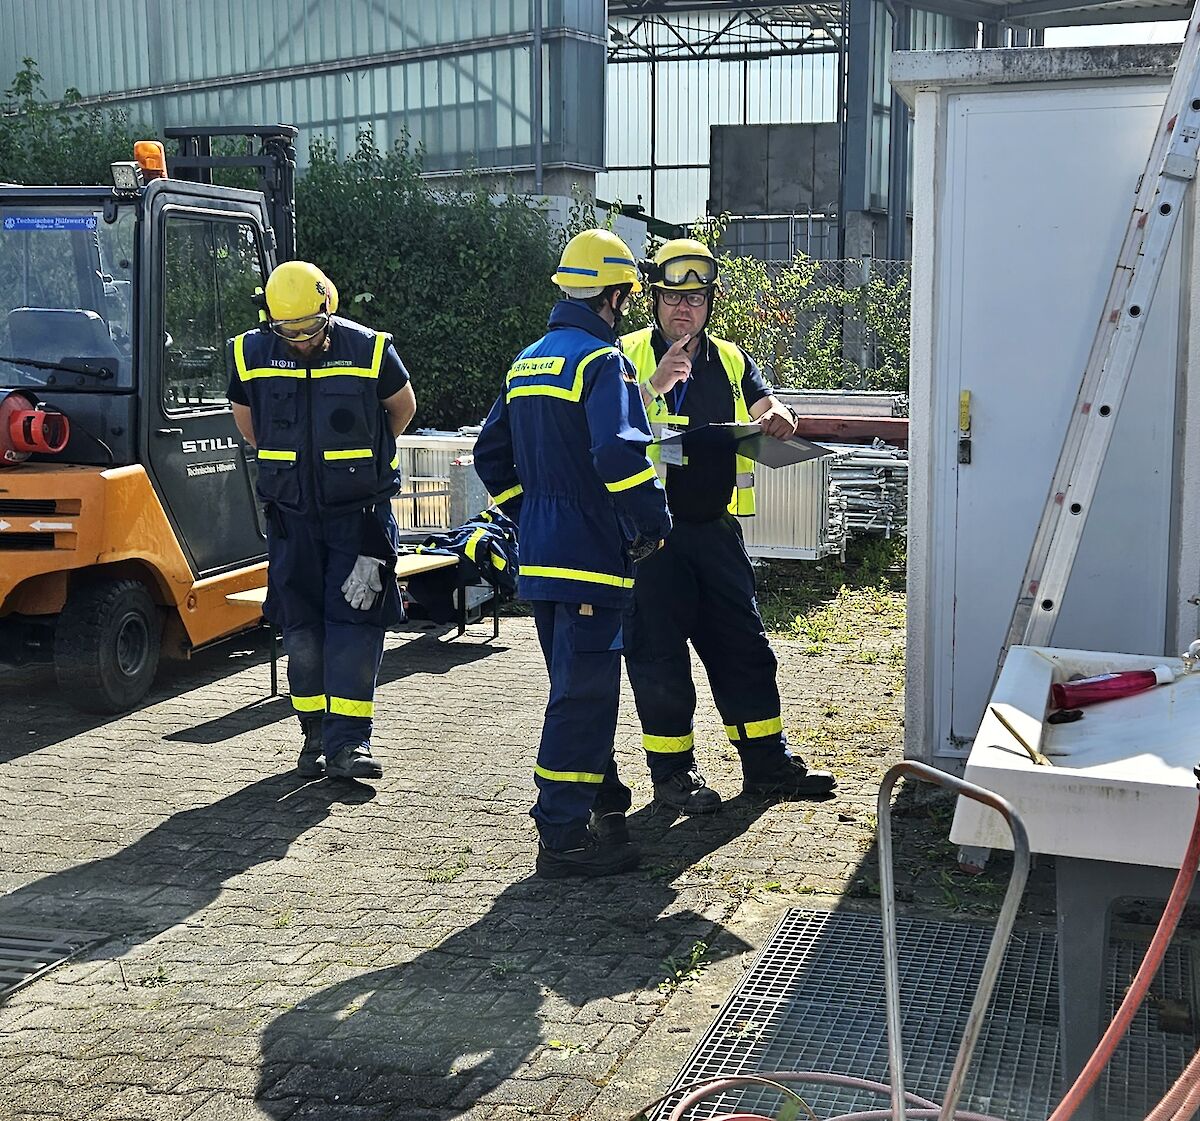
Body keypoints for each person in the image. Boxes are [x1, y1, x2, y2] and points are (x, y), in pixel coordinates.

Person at [473, 229, 672, 879]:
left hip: (542, 558)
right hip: (590, 556)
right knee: (582, 697)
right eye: (626, 297)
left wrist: (526, 512)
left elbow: (489, 455)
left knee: (575, 685)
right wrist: (652, 520)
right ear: (612, 295)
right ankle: (561, 832)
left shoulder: (527, 360)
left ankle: (598, 798)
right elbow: (619, 455)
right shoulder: (601, 363)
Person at [620, 238, 836, 814]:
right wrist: (653, 385)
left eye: (694, 297)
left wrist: (779, 416)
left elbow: (767, 405)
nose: (682, 309)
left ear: (710, 301)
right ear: (654, 301)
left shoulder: (733, 359)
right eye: (671, 297)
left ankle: (766, 762)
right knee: (658, 654)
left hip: (716, 532)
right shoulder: (624, 355)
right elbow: (602, 429)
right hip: (651, 539)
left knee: (744, 647)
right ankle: (673, 774)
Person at [227, 260, 416, 781]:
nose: (301, 340)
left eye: (310, 329)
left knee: (355, 624)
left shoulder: (371, 349)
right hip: (291, 519)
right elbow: (252, 429)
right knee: (302, 630)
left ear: (328, 307)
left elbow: (401, 409)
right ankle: (313, 736)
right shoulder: (248, 354)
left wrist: (363, 462)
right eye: (288, 332)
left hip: (360, 519)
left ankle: (349, 745)